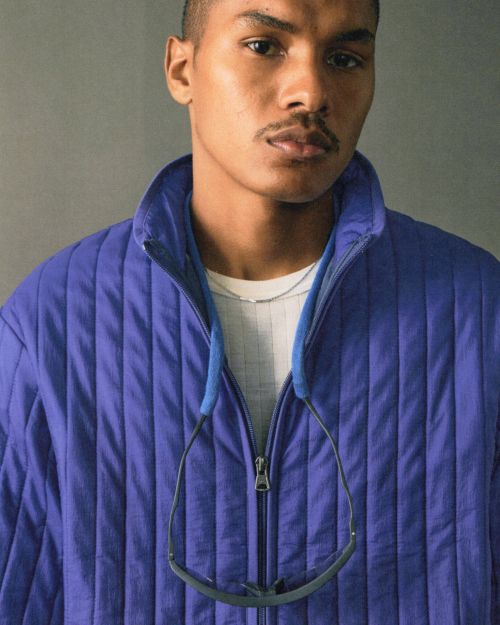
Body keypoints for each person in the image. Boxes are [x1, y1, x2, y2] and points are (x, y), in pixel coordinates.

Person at [0, 0, 498, 623]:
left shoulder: (478, 311)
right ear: (182, 69)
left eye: (345, 58)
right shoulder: (52, 320)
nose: (311, 91)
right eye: (264, 46)